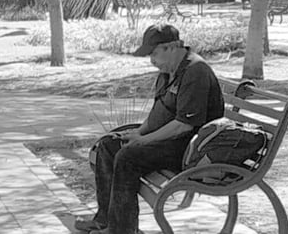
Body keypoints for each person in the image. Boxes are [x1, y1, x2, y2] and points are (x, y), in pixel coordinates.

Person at [73, 24, 225, 234]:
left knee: (128, 157)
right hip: (170, 139)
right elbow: (159, 113)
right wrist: (140, 133)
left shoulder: (195, 71)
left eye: (154, 53)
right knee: (109, 145)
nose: (151, 60)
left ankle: (122, 231)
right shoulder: (168, 71)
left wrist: (144, 140)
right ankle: (105, 220)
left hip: (191, 148)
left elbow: (184, 125)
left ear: (171, 47)